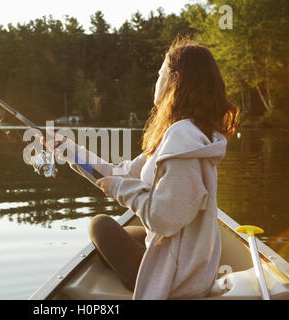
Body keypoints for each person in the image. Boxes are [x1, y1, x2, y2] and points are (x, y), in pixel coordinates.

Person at [44, 36, 239, 300]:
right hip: (185, 256)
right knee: (122, 234)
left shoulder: (183, 139)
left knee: (100, 226)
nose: (155, 80)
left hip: (178, 280)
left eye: (160, 74)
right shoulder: (182, 134)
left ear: (175, 80)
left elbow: (164, 219)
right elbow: (119, 172)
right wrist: (67, 149)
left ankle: (147, 279)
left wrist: (121, 189)